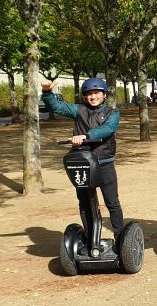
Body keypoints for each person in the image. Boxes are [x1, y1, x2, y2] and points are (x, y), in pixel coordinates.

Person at [41, 77, 124, 242]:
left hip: (104, 164)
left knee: (112, 203)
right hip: (83, 164)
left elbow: (107, 129)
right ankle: (90, 239)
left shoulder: (112, 113)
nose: (93, 97)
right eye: (89, 94)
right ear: (85, 96)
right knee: (85, 204)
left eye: (96, 93)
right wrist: (47, 93)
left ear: (104, 95)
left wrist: (85, 136)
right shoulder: (78, 109)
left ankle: (121, 239)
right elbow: (57, 107)